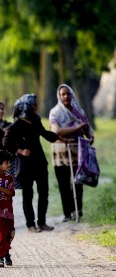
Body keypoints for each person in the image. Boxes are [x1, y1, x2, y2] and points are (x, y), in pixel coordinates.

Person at [3, 94, 66, 232]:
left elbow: (44, 133)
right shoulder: (16, 125)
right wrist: (20, 150)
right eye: (33, 105)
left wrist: (59, 138)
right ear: (27, 107)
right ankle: (30, 224)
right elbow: (6, 142)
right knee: (28, 195)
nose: (36, 107)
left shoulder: (36, 120)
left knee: (44, 192)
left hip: (40, 162)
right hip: (25, 166)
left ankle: (42, 222)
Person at [49, 84, 95, 222]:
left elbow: (87, 127)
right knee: (63, 183)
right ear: (59, 96)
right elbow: (56, 131)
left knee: (78, 181)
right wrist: (77, 127)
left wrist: (91, 135)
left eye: (68, 94)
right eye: (63, 94)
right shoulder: (55, 112)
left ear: (72, 95)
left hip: (77, 150)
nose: (66, 97)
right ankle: (67, 213)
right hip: (60, 152)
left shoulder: (79, 111)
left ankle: (78, 210)